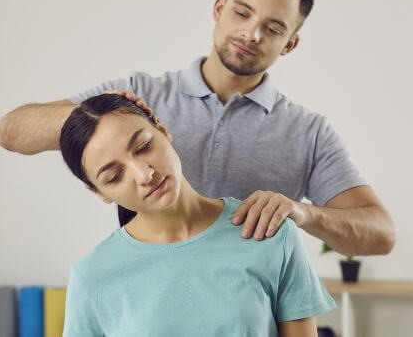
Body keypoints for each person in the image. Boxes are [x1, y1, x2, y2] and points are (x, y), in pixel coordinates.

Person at [0, 0, 395, 256]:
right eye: (242, 12)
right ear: (219, 8)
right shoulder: (140, 94)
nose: (251, 34)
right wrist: (116, 121)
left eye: (273, 28)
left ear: (289, 43)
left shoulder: (308, 132)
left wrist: (303, 213)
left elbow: (380, 234)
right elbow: (11, 132)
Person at [59, 93, 335, 336]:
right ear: (100, 193)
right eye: (115, 176)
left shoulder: (267, 231)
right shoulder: (92, 277)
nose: (145, 174)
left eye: (144, 147)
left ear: (163, 130)